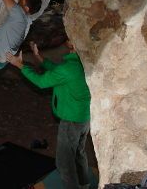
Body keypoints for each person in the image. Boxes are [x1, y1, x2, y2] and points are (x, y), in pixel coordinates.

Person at [8, 38, 92, 189]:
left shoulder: (68, 69)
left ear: (72, 45)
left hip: (71, 121)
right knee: (79, 153)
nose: (67, 38)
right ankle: (84, 184)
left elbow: (41, 82)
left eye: (69, 38)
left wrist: (19, 64)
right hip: (84, 118)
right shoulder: (79, 64)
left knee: (64, 163)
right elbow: (55, 69)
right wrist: (37, 56)